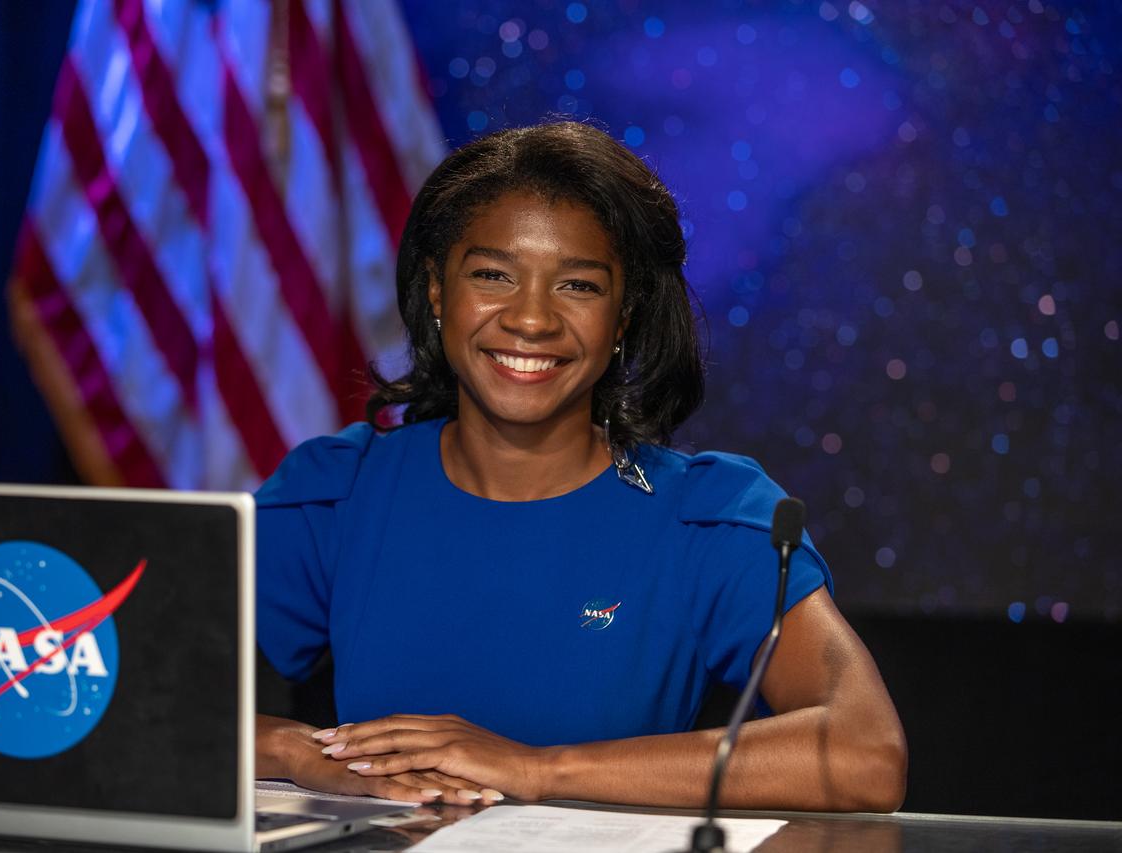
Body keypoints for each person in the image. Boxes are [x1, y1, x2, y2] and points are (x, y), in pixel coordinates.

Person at [252, 121, 906, 812]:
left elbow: (865, 753)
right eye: (493, 275)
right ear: (438, 291)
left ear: (623, 317)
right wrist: (300, 753)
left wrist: (535, 768)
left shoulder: (710, 516)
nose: (531, 319)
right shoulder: (337, 492)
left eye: (579, 286)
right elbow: (130, 683)